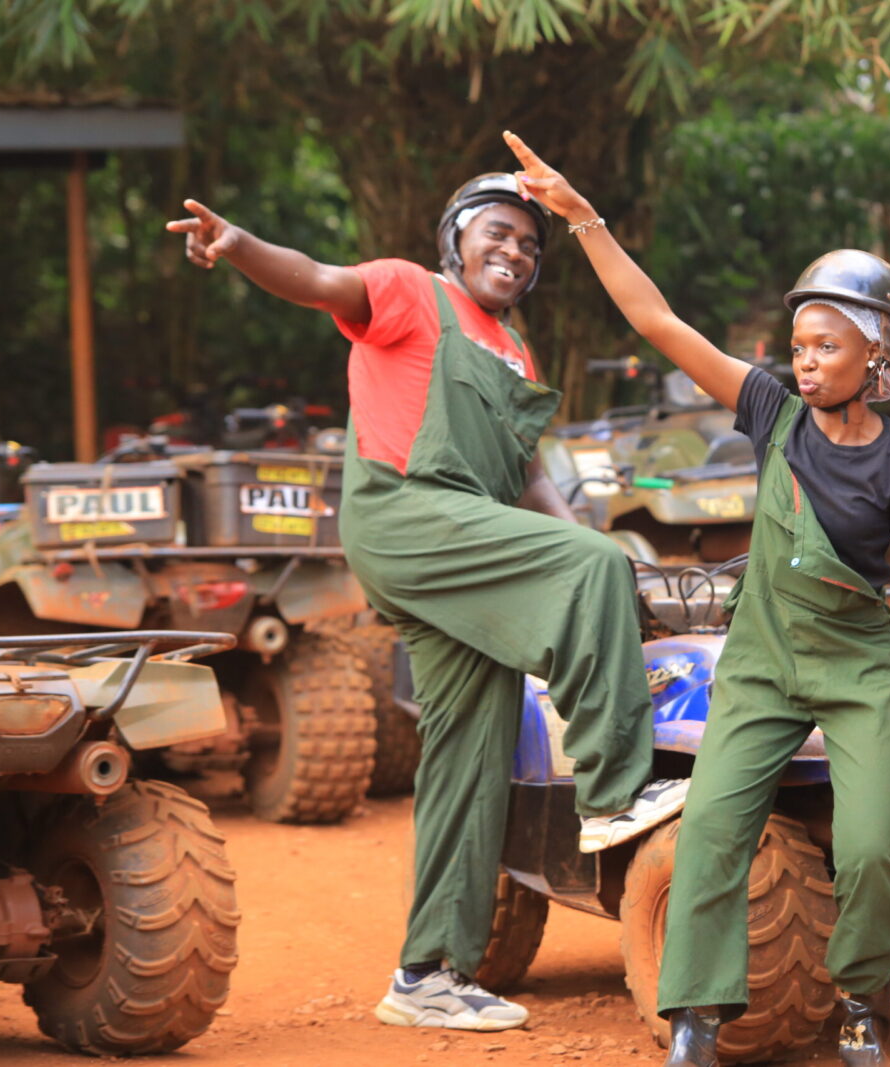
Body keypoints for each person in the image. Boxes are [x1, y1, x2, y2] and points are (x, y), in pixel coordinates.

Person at [166, 176, 688, 1033]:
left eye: (530, 245)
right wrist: (239, 246)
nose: (514, 251)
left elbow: (529, 477)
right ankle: (613, 793)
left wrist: (603, 556)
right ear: (456, 239)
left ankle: (428, 974)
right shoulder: (411, 290)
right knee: (591, 567)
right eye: (498, 233)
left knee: (474, 740)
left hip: (470, 539)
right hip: (407, 512)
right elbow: (317, 279)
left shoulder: (516, 352)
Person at [503, 130, 890, 1067]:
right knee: (707, 829)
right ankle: (695, 1020)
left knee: (870, 850)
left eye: (827, 346)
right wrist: (584, 221)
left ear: (879, 354)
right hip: (763, 664)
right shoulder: (772, 413)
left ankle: (862, 998)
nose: (806, 361)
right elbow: (658, 321)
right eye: (800, 345)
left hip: (863, 673)